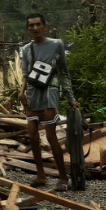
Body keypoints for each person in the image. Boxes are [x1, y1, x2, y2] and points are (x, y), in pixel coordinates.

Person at [18, 13, 80, 190]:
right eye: (31, 25)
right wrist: (21, 93)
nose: (35, 28)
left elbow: (64, 72)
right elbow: (25, 74)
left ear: (45, 26)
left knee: (51, 137)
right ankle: (41, 175)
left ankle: (62, 178)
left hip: (50, 94)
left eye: (38, 24)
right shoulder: (26, 50)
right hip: (31, 95)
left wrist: (71, 98)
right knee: (32, 136)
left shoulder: (56, 45)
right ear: (28, 29)